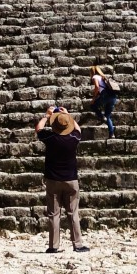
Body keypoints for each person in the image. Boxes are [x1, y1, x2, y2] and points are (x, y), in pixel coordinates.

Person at [35, 106, 89, 254]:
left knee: (54, 213)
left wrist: (47, 116)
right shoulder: (73, 138)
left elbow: (38, 129)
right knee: (73, 213)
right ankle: (78, 244)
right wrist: (68, 116)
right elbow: (78, 130)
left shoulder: (50, 138)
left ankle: (53, 246)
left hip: (53, 179)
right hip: (71, 179)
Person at [90, 65, 118, 139]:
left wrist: (94, 98)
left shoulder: (95, 77)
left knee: (93, 106)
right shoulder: (103, 77)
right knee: (108, 116)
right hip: (113, 96)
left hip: (105, 95)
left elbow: (97, 86)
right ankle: (112, 134)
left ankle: (102, 117)